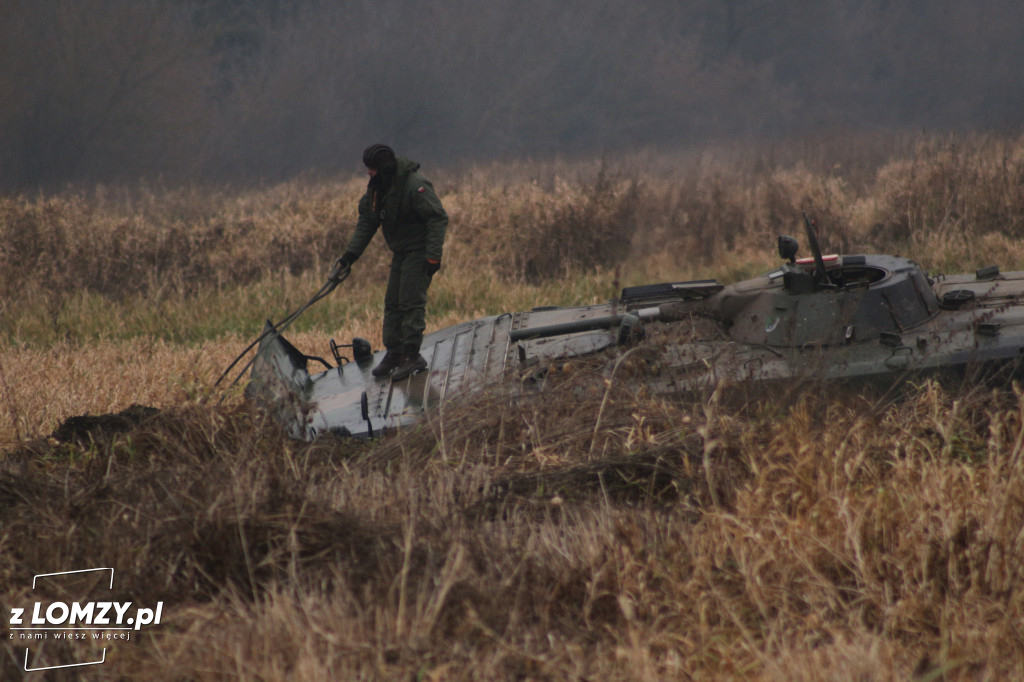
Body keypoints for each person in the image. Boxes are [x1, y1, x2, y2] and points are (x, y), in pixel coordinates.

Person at [334, 144, 448, 381]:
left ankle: (411, 355)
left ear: (383, 169)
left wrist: (433, 256)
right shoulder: (379, 189)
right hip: (400, 252)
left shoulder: (414, 185)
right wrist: (349, 257)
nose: (369, 173)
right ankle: (395, 352)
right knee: (392, 302)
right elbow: (368, 222)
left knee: (410, 302)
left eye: (372, 169)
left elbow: (437, 218)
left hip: (419, 252)